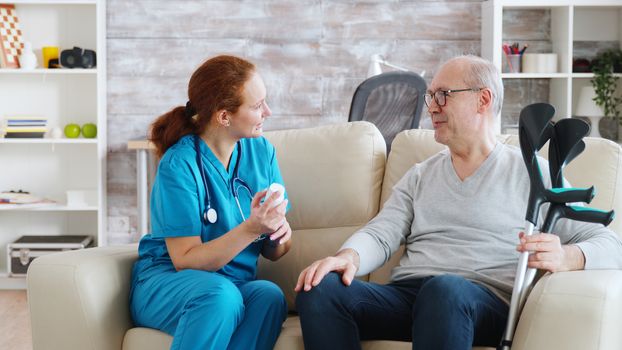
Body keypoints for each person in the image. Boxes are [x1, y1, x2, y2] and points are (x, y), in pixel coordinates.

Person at [294, 55, 622, 350]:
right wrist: (347, 257)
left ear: (483, 99)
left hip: (481, 301)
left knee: (445, 290)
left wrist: (567, 255)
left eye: (443, 95)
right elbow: (382, 233)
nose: (432, 107)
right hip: (412, 296)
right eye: (430, 97)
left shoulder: (532, 173)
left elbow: (611, 244)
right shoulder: (420, 175)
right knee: (319, 287)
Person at [130, 55, 292, 350]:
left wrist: (278, 232)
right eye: (257, 106)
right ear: (224, 116)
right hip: (169, 284)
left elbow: (276, 249)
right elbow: (185, 260)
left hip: (232, 282)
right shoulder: (179, 165)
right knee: (221, 296)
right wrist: (252, 228)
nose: (267, 111)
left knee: (269, 296)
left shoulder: (261, 152)